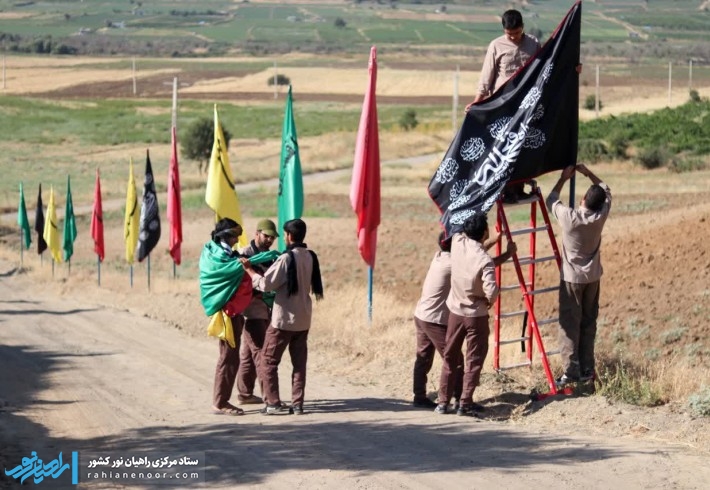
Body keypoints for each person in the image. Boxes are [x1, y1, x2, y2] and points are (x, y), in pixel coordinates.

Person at [241, 218, 323, 415]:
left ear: (288, 236)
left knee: (268, 361)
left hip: (283, 320)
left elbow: (266, 285)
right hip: (303, 319)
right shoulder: (310, 256)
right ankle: (297, 404)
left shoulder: (286, 259)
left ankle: (273, 403)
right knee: (299, 364)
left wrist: (250, 271)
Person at [436, 214, 516, 416]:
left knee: (450, 357)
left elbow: (472, 245)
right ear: (485, 232)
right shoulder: (485, 260)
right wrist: (488, 302)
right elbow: (492, 291)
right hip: (476, 315)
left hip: (454, 311)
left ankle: (442, 402)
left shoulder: (457, 241)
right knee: (474, 360)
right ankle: (464, 403)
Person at [412, 230, 502, 409]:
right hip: (435, 320)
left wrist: (493, 241)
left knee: (423, 356)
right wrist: (506, 253)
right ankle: (460, 399)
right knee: (455, 360)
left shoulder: (440, 257)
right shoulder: (453, 263)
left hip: (421, 314)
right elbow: (478, 261)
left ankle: (419, 395)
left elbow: (475, 253)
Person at [466, 9, 542, 203]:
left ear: (522, 28)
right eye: (509, 34)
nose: (513, 37)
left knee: (522, 148)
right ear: (504, 30)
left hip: (526, 106)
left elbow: (546, 67)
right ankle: (505, 190)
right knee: (504, 147)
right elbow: (486, 78)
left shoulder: (533, 44)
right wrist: (477, 102)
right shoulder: (496, 46)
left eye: (516, 33)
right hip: (503, 107)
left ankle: (519, 188)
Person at [545, 164, 611, 387]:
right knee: (588, 322)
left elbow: (551, 199)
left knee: (569, 324)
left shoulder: (569, 218)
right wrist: (588, 173)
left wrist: (564, 178)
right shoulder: (600, 217)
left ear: (582, 198)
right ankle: (587, 369)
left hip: (572, 279)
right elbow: (605, 188)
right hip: (592, 278)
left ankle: (570, 371)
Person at [200, 218, 248, 416]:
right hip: (226, 313)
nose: (237, 239)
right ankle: (220, 402)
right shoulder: (217, 255)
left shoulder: (222, 252)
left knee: (231, 357)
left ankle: (222, 400)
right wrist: (241, 265)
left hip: (232, 311)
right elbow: (223, 271)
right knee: (228, 357)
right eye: (235, 235)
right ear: (226, 236)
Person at [235, 219, 280, 405]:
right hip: (250, 313)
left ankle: (245, 394)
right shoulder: (244, 255)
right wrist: (257, 291)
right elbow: (238, 283)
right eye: (266, 236)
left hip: (264, 311)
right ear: (257, 233)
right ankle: (270, 398)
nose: (269, 240)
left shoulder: (270, 257)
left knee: (248, 355)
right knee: (262, 354)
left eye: (272, 237)